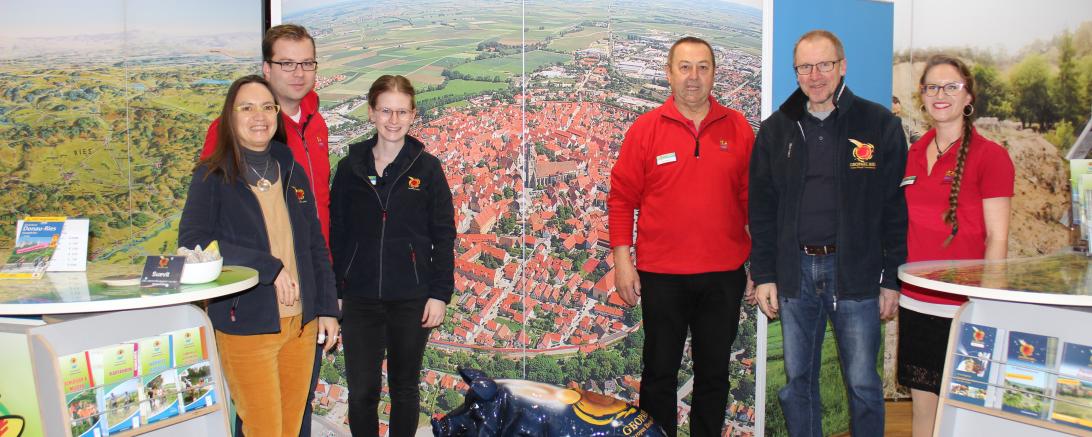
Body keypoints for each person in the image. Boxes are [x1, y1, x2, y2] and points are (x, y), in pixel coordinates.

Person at [748, 30, 908, 436]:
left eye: (824, 65)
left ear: (843, 66)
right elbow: (761, 210)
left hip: (854, 271)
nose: (815, 75)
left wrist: (891, 278)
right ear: (796, 71)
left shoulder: (879, 124)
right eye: (805, 66)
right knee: (798, 383)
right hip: (795, 272)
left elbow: (893, 208)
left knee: (862, 384)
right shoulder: (775, 129)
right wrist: (765, 273)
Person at [608, 36, 754, 437]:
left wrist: (759, 264)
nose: (694, 77)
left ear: (714, 74)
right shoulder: (645, 129)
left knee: (714, 376)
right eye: (685, 67)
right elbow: (621, 199)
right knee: (658, 376)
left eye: (703, 67)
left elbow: (752, 202)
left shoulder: (738, 128)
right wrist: (623, 261)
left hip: (723, 275)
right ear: (669, 73)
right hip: (662, 275)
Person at [179, 75, 340, 437]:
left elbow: (315, 244)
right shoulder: (212, 175)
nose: (260, 116)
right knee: (264, 430)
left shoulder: (291, 168)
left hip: (302, 324)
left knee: (290, 427)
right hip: (246, 322)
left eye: (268, 107)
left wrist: (327, 308)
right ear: (229, 117)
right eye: (247, 107)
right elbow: (194, 244)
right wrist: (268, 267)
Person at [330, 74, 456, 437]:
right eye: (386, 110)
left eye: (401, 111)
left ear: (414, 114)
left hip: (411, 296)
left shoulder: (428, 169)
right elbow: (338, 233)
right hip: (359, 297)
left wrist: (439, 293)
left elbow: (444, 235)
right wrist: (335, 290)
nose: (393, 120)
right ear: (371, 113)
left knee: (404, 389)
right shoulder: (349, 168)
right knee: (362, 392)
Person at [898, 54, 1013, 436]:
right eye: (932, 87)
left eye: (951, 86)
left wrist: (988, 301)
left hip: (966, 307)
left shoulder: (991, 157)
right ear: (922, 97)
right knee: (923, 407)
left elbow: (997, 236)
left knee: (963, 409)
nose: (940, 94)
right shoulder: (913, 154)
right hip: (916, 300)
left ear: (969, 98)